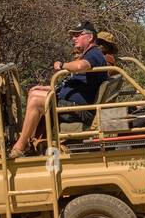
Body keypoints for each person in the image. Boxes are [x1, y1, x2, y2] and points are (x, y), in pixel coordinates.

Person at [9, 21, 109, 158]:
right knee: (34, 92)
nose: (73, 38)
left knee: (36, 100)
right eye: (73, 36)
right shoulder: (88, 54)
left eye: (78, 35)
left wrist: (63, 65)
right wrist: (49, 88)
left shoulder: (94, 54)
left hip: (79, 110)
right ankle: (31, 141)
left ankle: (20, 146)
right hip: (72, 105)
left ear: (90, 37)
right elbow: (75, 82)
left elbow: (81, 66)